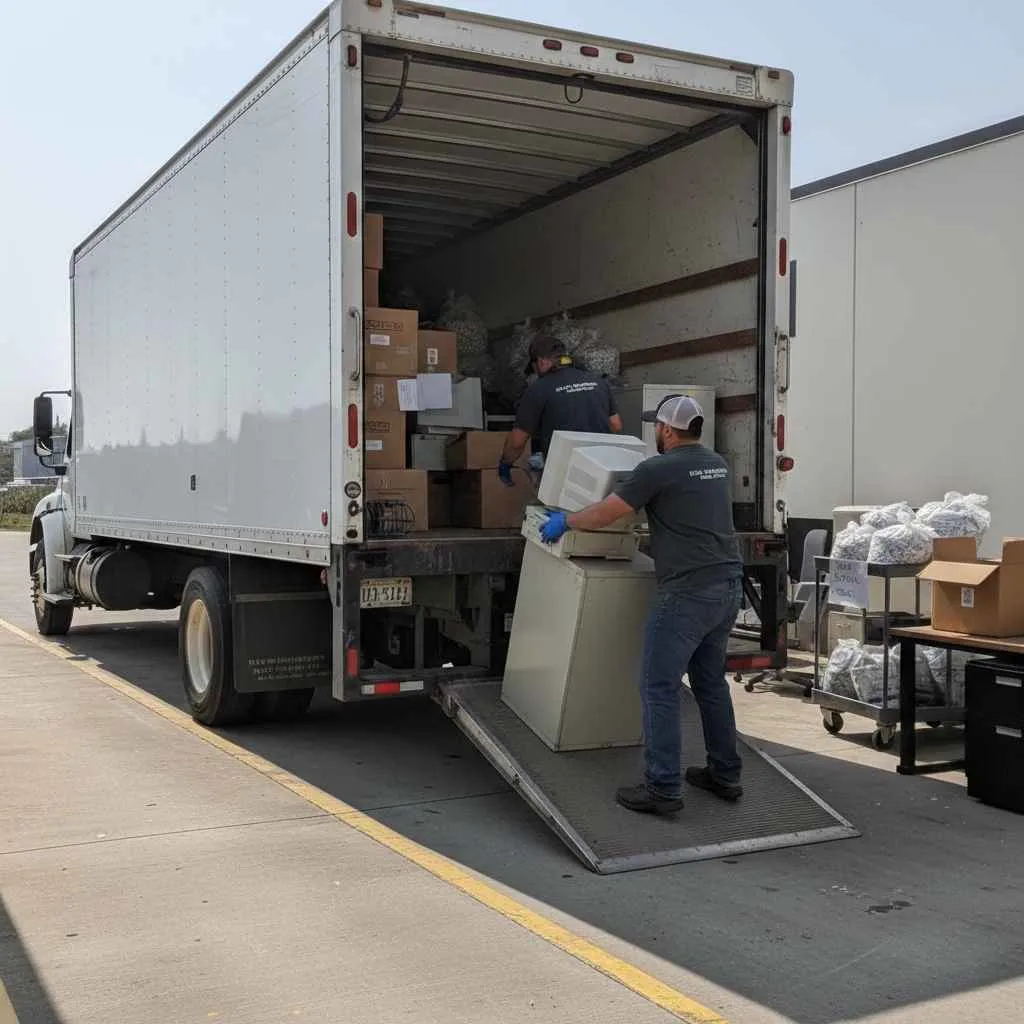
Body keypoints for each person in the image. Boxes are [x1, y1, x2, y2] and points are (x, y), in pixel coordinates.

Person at [539, 394, 744, 815]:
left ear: (668, 430)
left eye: (658, 426)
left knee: (659, 686)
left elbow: (605, 515)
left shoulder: (657, 469)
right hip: (726, 586)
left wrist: (566, 520)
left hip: (686, 594)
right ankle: (725, 775)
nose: (656, 432)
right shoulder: (717, 464)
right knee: (710, 684)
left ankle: (663, 787)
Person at [498, 333, 621, 485]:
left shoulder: (538, 389)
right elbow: (616, 425)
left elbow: (517, 442)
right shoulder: (598, 382)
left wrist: (505, 464)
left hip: (564, 473)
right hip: (602, 469)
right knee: (597, 508)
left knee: (566, 507)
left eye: (534, 366)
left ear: (542, 362)